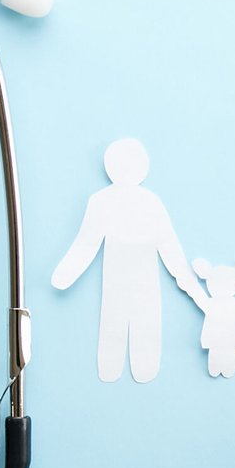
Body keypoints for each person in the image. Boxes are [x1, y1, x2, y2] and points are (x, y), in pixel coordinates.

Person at [52, 139, 201, 382]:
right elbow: (86, 244)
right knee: (118, 321)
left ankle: (139, 368)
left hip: (139, 278)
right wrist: (64, 274)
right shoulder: (110, 201)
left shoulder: (136, 201)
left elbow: (168, 245)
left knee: (139, 322)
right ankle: (118, 369)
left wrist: (191, 285)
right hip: (119, 278)